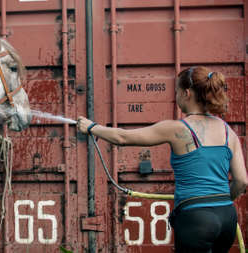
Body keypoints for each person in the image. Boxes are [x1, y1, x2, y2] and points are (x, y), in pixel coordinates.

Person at [77, 66, 248, 253]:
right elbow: (242, 181)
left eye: (177, 91)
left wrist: (92, 127)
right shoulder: (227, 131)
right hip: (227, 217)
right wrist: (220, 202)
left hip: (197, 218)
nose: (176, 96)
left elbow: (122, 138)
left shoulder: (177, 129)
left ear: (187, 93)